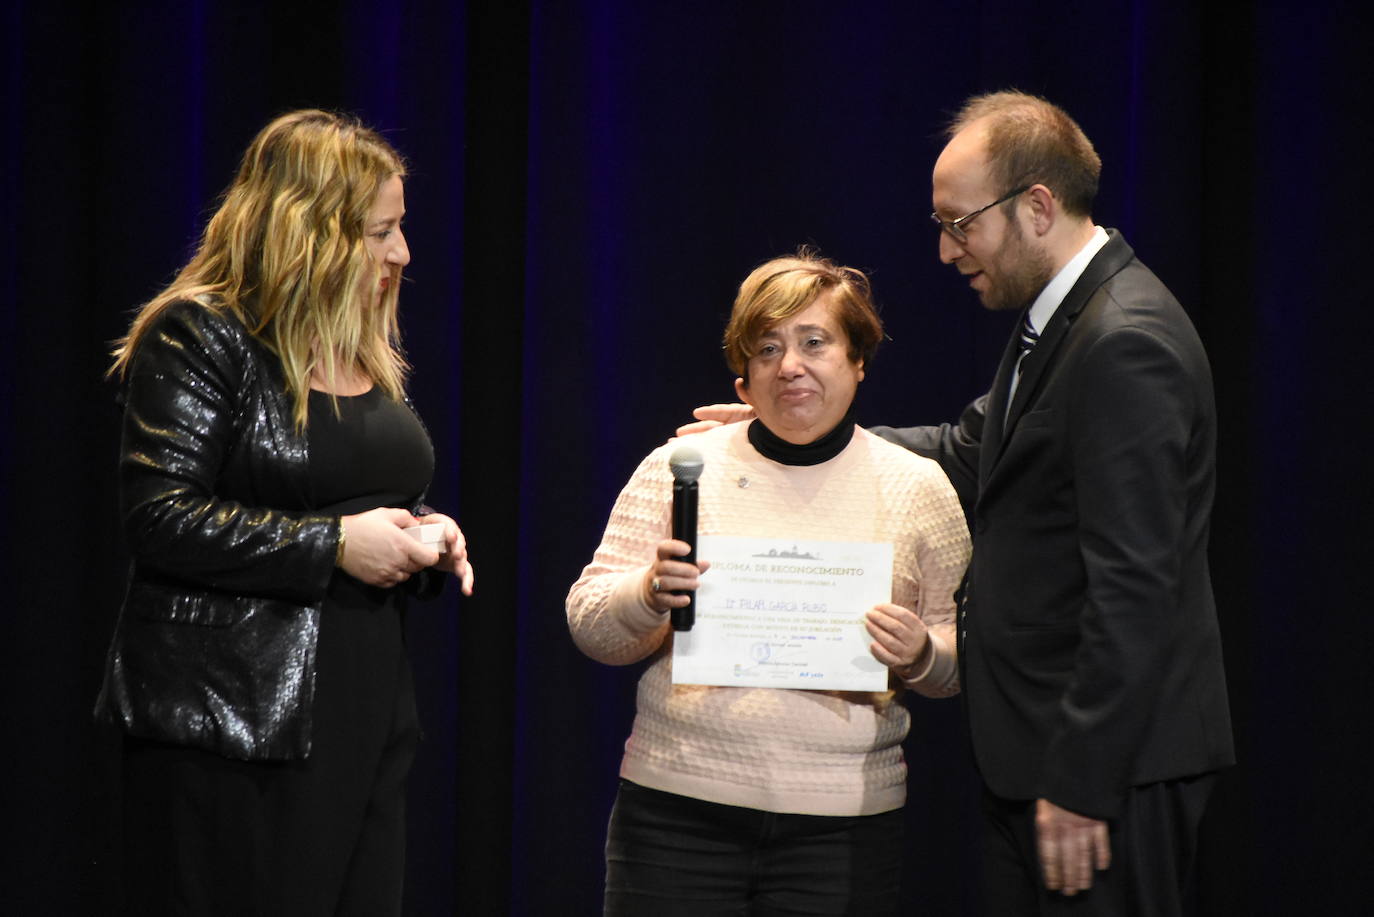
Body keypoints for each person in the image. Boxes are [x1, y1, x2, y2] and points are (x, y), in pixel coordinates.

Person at [686, 92, 1234, 915]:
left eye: (959, 223)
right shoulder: (1057, 321)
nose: (946, 251)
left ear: (1037, 207)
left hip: (1110, 770)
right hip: (1049, 756)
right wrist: (806, 427)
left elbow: (1136, 590)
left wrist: (1082, 781)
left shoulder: (1124, 342)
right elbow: (969, 450)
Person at [94, 109, 474, 916]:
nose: (402, 252)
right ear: (312, 233)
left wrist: (422, 533)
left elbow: (350, 494)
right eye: (381, 232)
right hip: (240, 723)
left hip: (364, 707)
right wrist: (333, 545)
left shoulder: (357, 346)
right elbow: (159, 515)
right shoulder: (199, 334)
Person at [568, 252, 971, 916]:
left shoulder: (917, 487)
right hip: (677, 814)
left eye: (815, 342)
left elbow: (960, 663)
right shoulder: (681, 466)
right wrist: (645, 594)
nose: (790, 365)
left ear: (858, 360)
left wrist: (924, 652)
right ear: (745, 376)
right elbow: (589, 625)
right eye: (767, 349)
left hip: (843, 827)